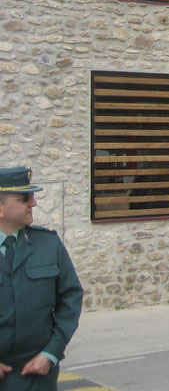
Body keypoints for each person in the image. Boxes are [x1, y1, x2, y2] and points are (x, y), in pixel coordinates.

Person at [0, 166, 83, 390]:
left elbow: (70, 299)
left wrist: (50, 353)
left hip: (37, 377)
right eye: (24, 198)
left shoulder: (48, 244)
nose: (33, 203)